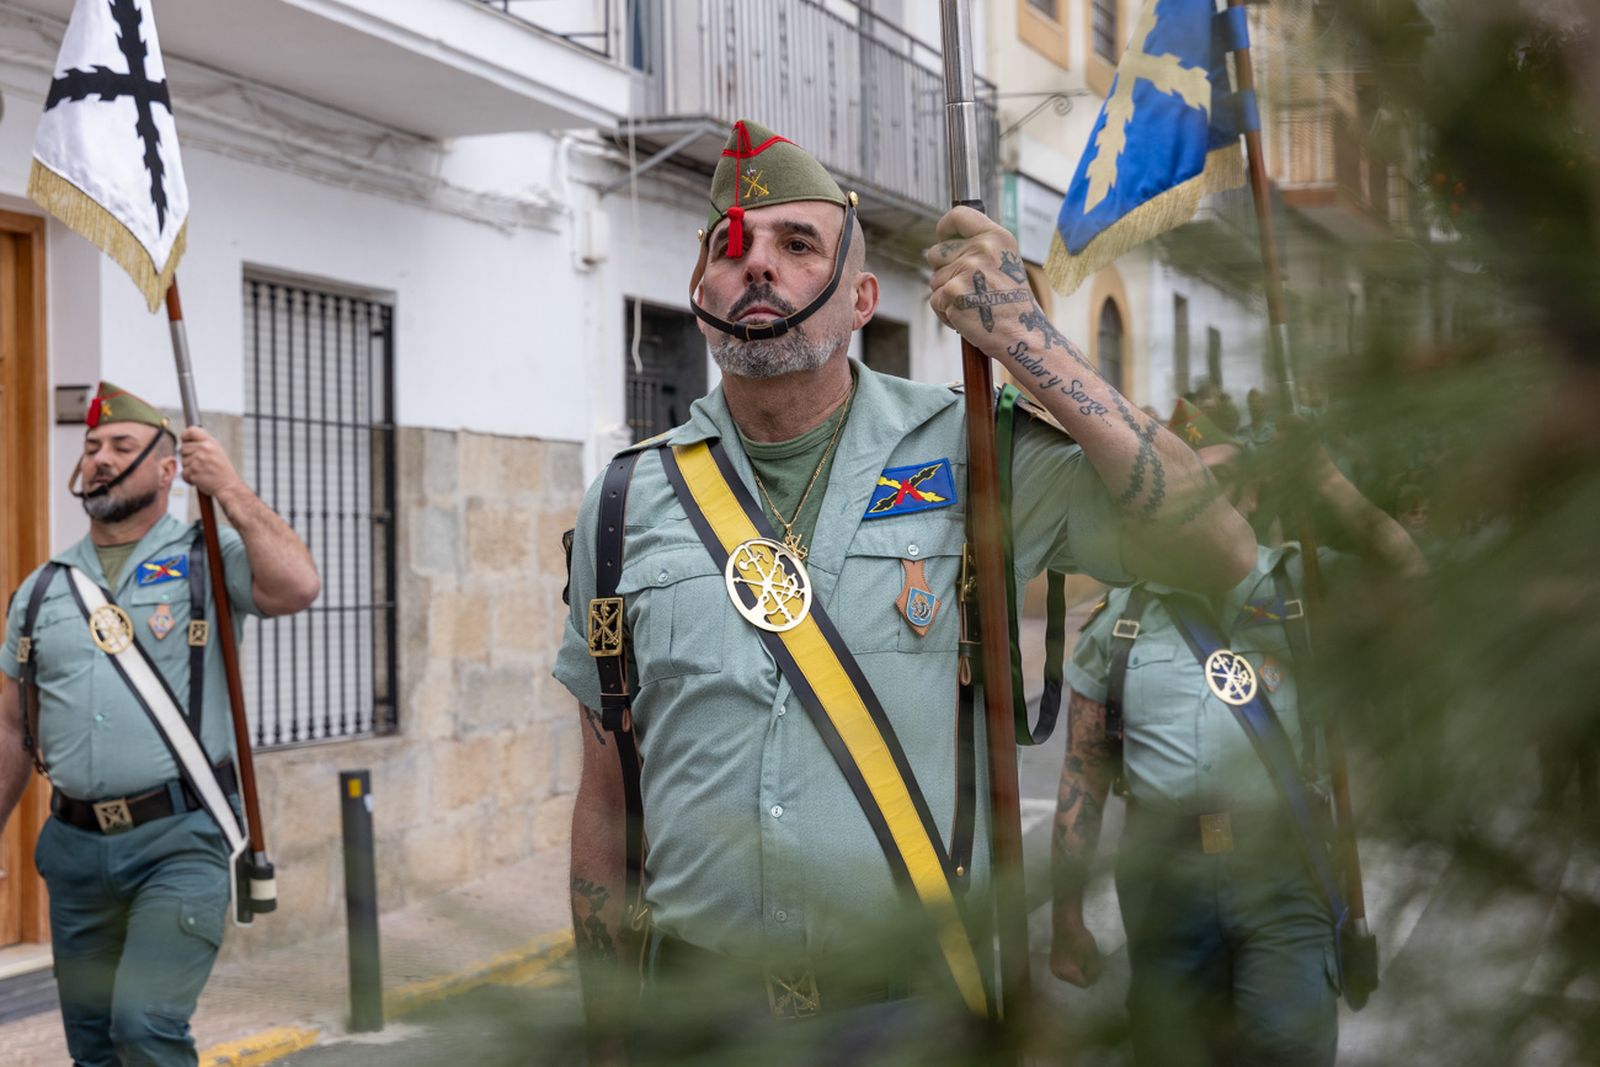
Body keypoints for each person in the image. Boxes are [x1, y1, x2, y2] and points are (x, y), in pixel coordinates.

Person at [554, 119, 1255, 1050]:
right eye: (733, 245)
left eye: (797, 244)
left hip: (908, 1014)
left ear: (861, 298)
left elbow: (1218, 546)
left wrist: (1029, 343)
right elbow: (607, 796)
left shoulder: (971, 452)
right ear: (700, 292)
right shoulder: (623, 500)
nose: (757, 263)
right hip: (692, 1019)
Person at [1049, 399, 1424, 1066]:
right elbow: (1084, 772)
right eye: (1179, 490)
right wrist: (1067, 913)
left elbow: (1407, 573)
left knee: (1288, 1048)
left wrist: (1326, 480)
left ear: (1250, 494)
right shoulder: (1121, 619)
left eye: (1217, 484)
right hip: (1164, 876)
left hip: (1283, 865)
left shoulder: (1303, 588)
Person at [0, 383, 319, 1067]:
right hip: (75, 850)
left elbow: (296, 585)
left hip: (180, 840)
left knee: (146, 1027)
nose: (99, 460)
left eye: (120, 446)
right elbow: (7, 730)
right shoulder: (41, 590)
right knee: (93, 1047)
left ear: (168, 470)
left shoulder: (208, 556)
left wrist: (229, 488)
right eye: (90, 448)